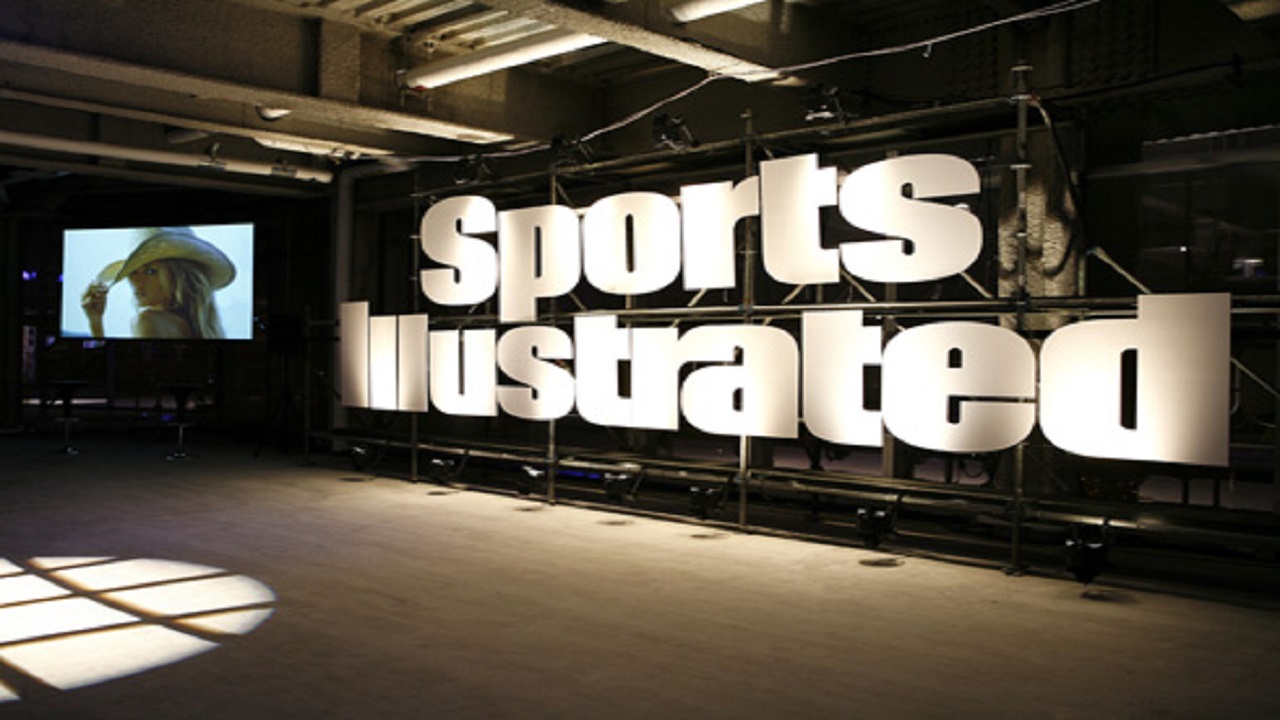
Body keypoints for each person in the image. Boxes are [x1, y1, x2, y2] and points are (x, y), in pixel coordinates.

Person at [81, 227, 236, 339]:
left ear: (179, 277)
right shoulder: (200, 328)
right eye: (133, 272)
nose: (136, 281)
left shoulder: (148, 321)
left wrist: (95, 326)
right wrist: (96, 322)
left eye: (151, 271)